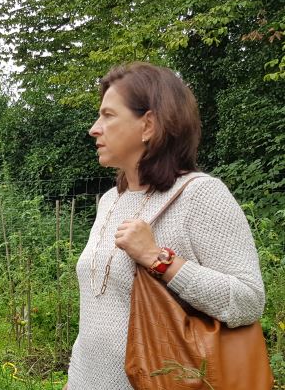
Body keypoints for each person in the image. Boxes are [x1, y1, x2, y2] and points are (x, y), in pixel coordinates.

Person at [65, 62, 266, 389]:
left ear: (149, 125)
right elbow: (95, 317)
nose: (94, 128)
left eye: (108, 115)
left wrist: (160, 259)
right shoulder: (109, 201)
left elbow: (248, 300)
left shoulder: (200, 194)